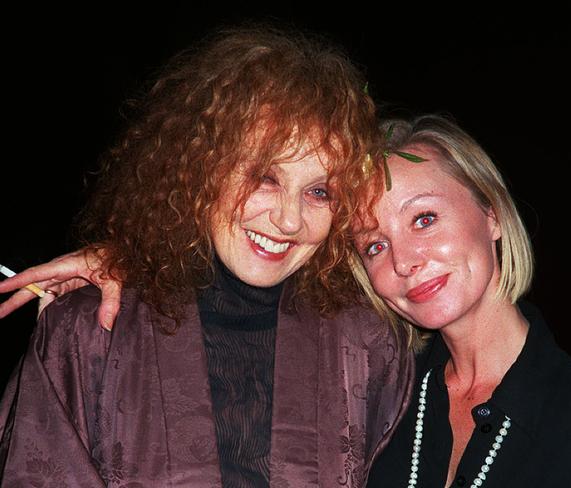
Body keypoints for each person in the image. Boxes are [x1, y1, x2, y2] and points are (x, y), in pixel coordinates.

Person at [0, 26, 414, 487]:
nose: (289, 220)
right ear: (201, 168)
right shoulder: (89, 330)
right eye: (265, 177)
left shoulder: (367, 345)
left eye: (319, 191)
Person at [349, 115, 571, 487]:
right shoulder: (379, 399)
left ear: (492, 214)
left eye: (424, 219)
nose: (403, 261)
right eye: (375, 245)